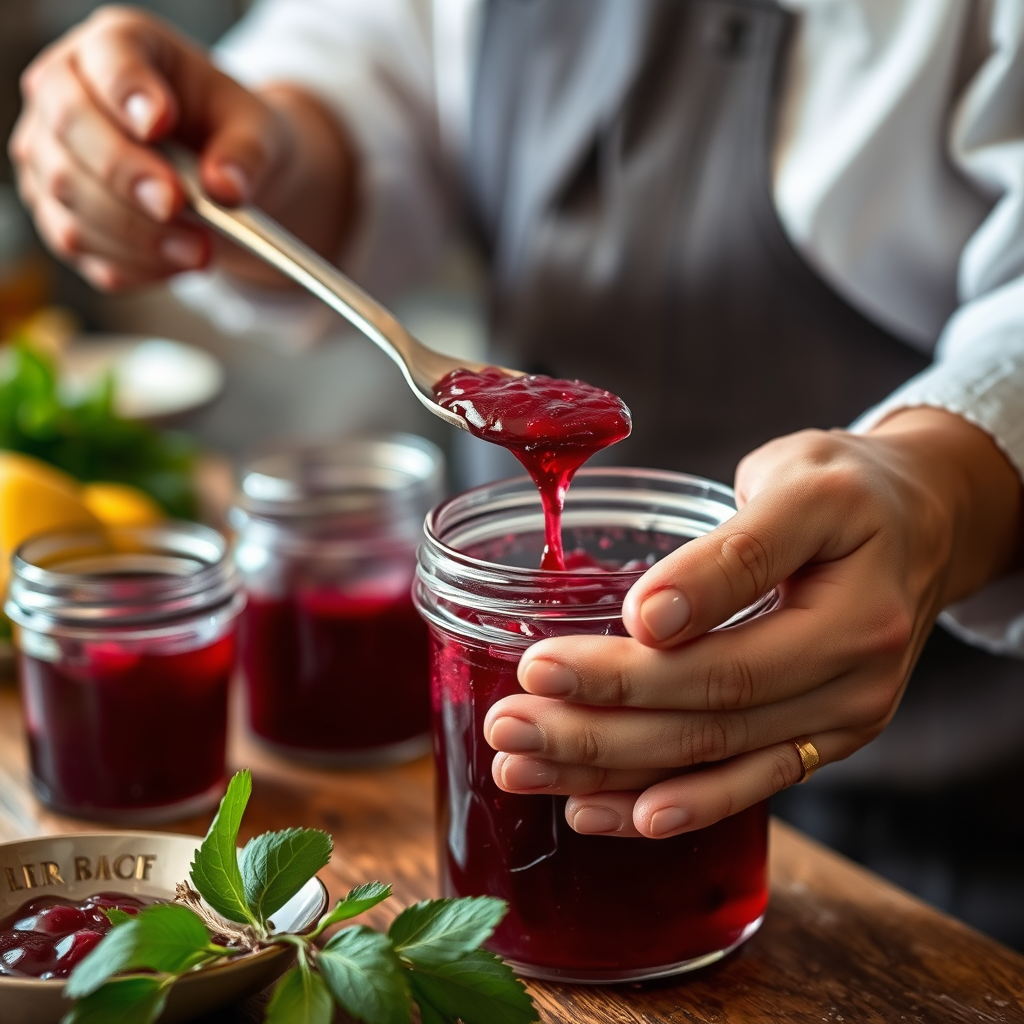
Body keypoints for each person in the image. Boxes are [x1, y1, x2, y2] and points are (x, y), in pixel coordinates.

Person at [10, 0, 1024, 945]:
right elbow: (368, 64)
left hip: (959, 836)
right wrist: (255, 152)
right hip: (526, 710)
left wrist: (938, 488)